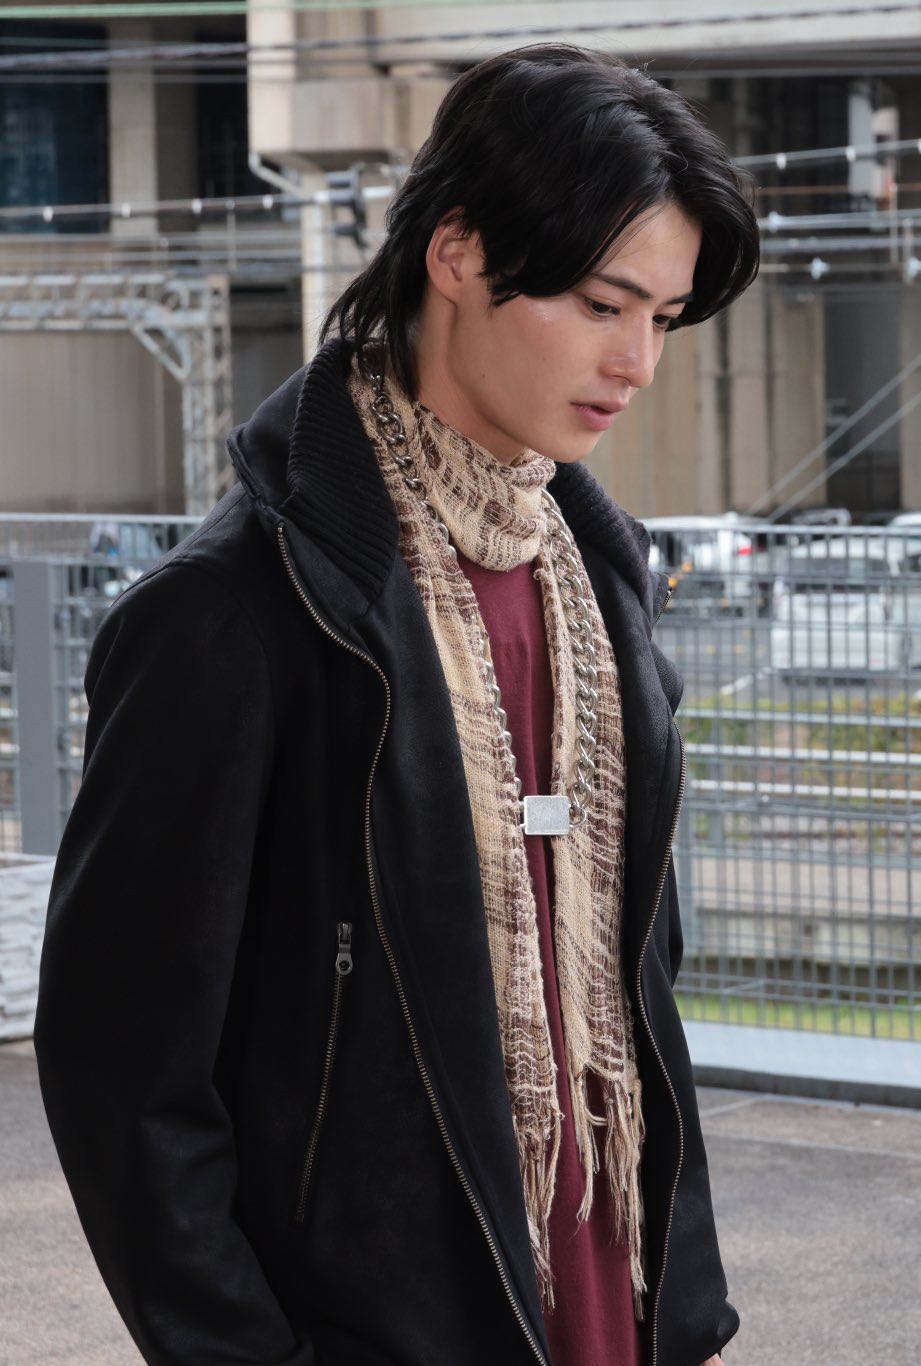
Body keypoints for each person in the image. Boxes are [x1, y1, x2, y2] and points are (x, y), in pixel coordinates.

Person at [35, 43, 759, 1366]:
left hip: (610, 1295)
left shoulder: (601, 585)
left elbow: (636, 989)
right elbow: (122, 1064)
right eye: (603, 304)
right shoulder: (241, 613)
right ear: (459, 253)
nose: (639, 362)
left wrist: (687, 1302)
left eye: (663, 318)